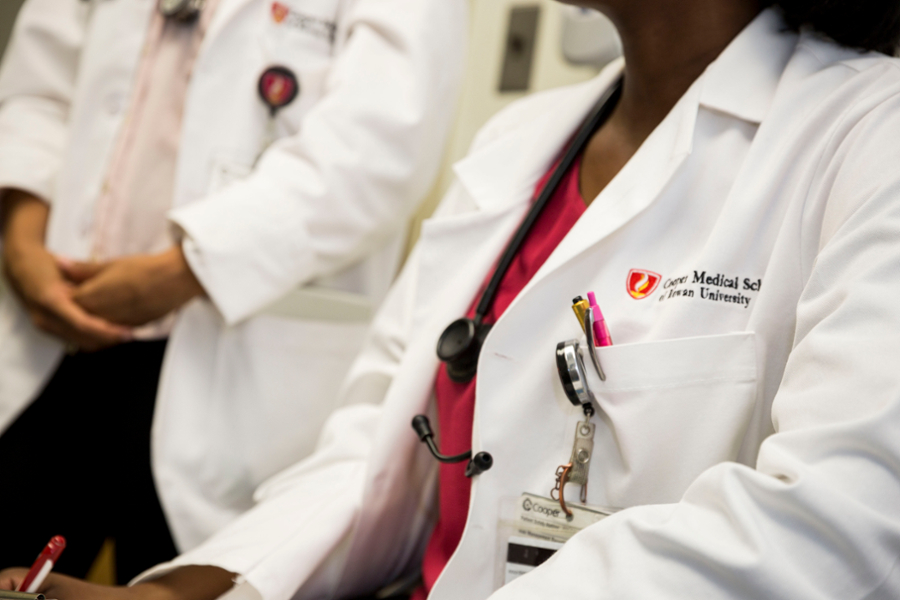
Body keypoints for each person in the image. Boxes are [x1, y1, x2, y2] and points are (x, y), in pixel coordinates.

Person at [7, 0, 900, 598]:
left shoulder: (870, 142)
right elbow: (373, 460)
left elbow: (838, 526)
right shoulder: (519, 147)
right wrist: (191, 588)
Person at [0, 0, 465, 582]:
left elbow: (380, 146)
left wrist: (185, 270)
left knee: (183, 578)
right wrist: (21, 241)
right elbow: (36, 91)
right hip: (53, 326)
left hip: (232, 358)